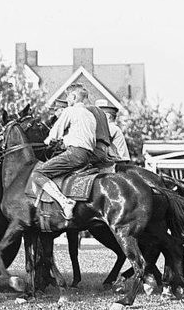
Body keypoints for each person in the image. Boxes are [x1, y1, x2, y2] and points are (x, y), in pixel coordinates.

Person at [37, 84, 106, 220]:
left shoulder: (69, 111)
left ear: (73, 97)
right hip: (87, 156)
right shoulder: (90, 115)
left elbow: (55, 133)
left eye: (68, 97)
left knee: (38, 173)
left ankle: (64, 202)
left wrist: (47, 141)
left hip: (74, 153)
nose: (67, 100)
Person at [95, 98, 131, 163]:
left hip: (118, 161)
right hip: (115, 160)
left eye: (99, 114)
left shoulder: (111, 127)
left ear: (108, 116)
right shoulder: (110, 127)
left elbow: (98, 139)